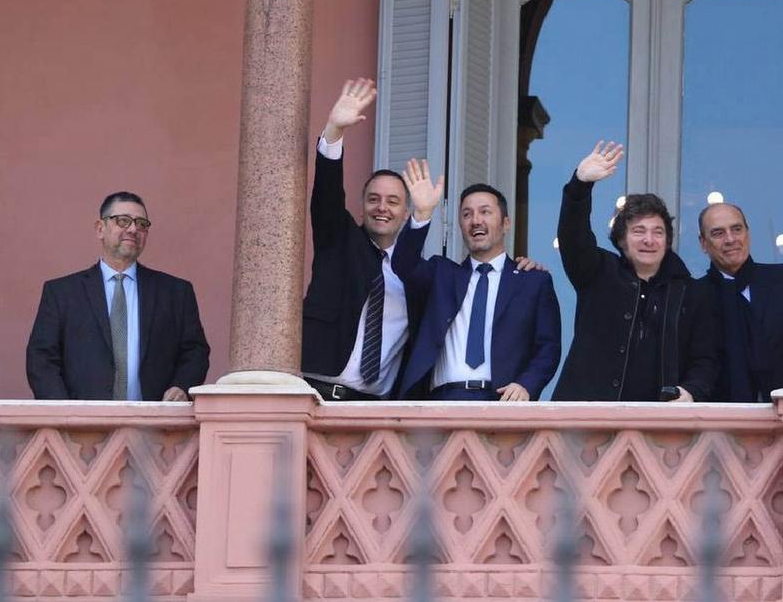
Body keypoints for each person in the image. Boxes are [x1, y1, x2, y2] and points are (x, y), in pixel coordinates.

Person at [552, 141, 719, 401]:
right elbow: (573, 238)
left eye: (658, 232)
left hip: (658, 429)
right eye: (639, 231)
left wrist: (691, 392)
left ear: (667, 241)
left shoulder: (690, 293)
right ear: (622, 240)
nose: (649, 240)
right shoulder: (598, 273)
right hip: (586, 424)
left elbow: (705, 359)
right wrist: (579, 186)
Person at [300, 78, 430, 401]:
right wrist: (334, 132)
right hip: (315, 394)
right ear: (362, 206)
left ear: (406, 213)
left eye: (393, 201)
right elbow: (327, 197)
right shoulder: (340, 241)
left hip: (373, 409)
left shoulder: (417, 275)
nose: (382, 207)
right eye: (373, 199)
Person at [393, 163, 561, 400]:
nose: (475, 220)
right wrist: (421, 214)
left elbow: (548, 347)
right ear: (460, 225)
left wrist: (526, 385)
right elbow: (403, 264)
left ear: (506, 224)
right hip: (442, 401)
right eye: (466, 214)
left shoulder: (533, 282)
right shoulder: (441, 274)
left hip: (501, 402)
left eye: (485, 212)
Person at [26, 192, 210, 400]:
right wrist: (64, 413)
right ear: (100, 229)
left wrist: (181, 386)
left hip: (154, 424)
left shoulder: (176, 293)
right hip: (81, 426)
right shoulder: (62, 293)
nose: (133, 229)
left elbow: (195, 352)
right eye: (123, 221)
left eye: (141, 223)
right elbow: (41, 359)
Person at [697, 202, 783, 402]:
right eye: (718, 233)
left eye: (737, 229)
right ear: (703, 244)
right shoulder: (695, 296)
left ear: (747, 233)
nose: (730, 239)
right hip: (720, 422)